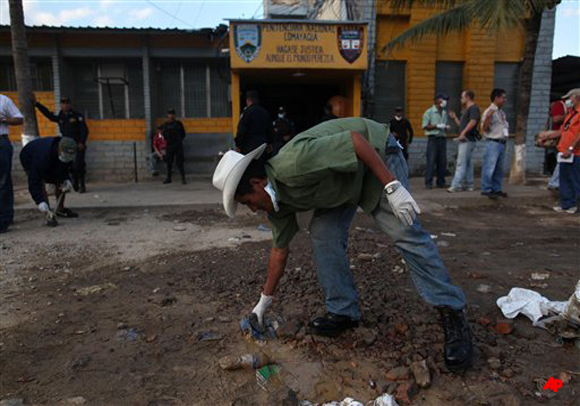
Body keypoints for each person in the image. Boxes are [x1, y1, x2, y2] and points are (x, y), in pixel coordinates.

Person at [213, 117, 473, 373]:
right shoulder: (276, 205)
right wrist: (262, 305)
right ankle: (343, 312)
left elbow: (355, 141)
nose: (253, 209)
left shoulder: (294, 163)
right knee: (323, 232)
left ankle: (452, 311)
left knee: (404, 231)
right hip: (344, 181)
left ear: (258, 183)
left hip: (375, 157)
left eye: (248, 202)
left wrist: (392, 185)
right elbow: (279, 251)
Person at [33, 94, 89, 193]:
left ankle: (82, 184)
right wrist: (37, 104)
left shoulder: (77, 116)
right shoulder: (60, 117)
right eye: (63, 103)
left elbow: (85, 130)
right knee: (70, 166)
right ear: (61, 105)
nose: (65, 105)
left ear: (70, 104)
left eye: (67, 103)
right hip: (66, 146)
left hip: (78, 145)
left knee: (78, 165)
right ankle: (75, 182)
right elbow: (49, 116)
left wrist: (82, 142)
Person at [19, 137, 78, 227]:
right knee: (41, 182)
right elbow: (34, 181)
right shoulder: (41, 158)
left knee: (60, 182)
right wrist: (40, 201)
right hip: (29, 156)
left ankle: (60, 209)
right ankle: (48, 213)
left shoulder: (68, 152)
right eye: (65, 156)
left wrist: (67, 180)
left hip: (51, 158)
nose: (67, 158)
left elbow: (65, 170)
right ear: (59, 149)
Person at [539, 89, 580, 213]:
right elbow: (562, 131)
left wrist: (571, 148)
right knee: (564, 179)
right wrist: (546, 137)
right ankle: (566, 204)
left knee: (575, 180)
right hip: (564, 152)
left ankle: (576, 205)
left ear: (577, 98)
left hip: (575, 153)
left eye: (570, 98)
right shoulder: (571, 113)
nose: (568, 101)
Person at [448, 90, 481, 192]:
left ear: (468, 97)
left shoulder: (473, 109)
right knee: (468, 163)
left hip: (467, 139)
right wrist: (455, 118)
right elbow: (463, 126)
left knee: (461, 163)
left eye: (462, 97)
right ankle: (469, 184)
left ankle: (456, 185)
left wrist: (463, 133)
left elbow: (473, 122)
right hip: (466, 138)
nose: (461, 99)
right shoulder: (466, 110)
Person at [0, 94, 24, 234]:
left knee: (3, 182)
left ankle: (4, 220)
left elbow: (19, 118)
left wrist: (3, 119)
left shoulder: (3, 100)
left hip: (1, 142)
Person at [480, 89, 509, 200]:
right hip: (493, 142)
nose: (504, 100)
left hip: (502, 142)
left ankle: (496, 188)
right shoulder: (490, 111)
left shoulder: (501, 112)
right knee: (489, 167)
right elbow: (484, 128)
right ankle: (486, 188)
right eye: (503, 97)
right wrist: (488, 117)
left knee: (499, 168)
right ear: (496, 98)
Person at [423, 93, 450, 189]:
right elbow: (425, 126)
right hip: (433, 138)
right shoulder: (429, 112)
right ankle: (428, 182)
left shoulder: (444, 113)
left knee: (442, 161)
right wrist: (436, 126)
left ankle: (440, 182)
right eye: (443, 99)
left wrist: (446, 127)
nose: (445, 102)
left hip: (442, 138)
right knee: (431, 160)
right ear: (437, 100)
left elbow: (445, 125)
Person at [235, 90, 273, 156]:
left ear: (248, 100)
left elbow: (241, 131)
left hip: (248, 148)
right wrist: (270, 143)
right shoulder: (265, 113)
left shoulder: (246, 113)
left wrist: (238, 145)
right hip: (262, 147)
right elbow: (270, 130)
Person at [545, 98, 568, 193]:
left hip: (563, 138)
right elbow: (556, 120)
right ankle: (554, 183)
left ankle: (556, 182)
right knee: (562, 161)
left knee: (562, 161)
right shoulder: (560, 105)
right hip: (560, 139)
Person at [162, 109, 187, 185]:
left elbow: (183, 133)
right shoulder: (166, 124)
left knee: (180, 162)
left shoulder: (178, 124)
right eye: (169, 114)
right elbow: (163, 134)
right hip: (169, 145)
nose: (171, 116)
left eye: (172, 114)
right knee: (169, 162)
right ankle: (168, 178)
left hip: (178, 145)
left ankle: (183, 178)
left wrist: (179, 140)